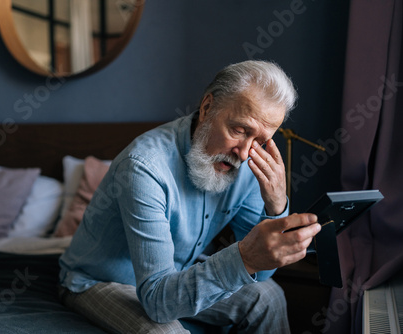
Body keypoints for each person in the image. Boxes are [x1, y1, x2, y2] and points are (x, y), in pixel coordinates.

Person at [58, 60, 321, 333]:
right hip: (98, 282)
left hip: (173, 278)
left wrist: (276, 206)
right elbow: (158, 303)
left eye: (259, 140)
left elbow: (261, 271)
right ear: (208, 107)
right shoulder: (144, 167)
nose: (243, 153)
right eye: (239, 130)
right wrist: (245, 258)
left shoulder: (248, 163)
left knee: (268, 296)